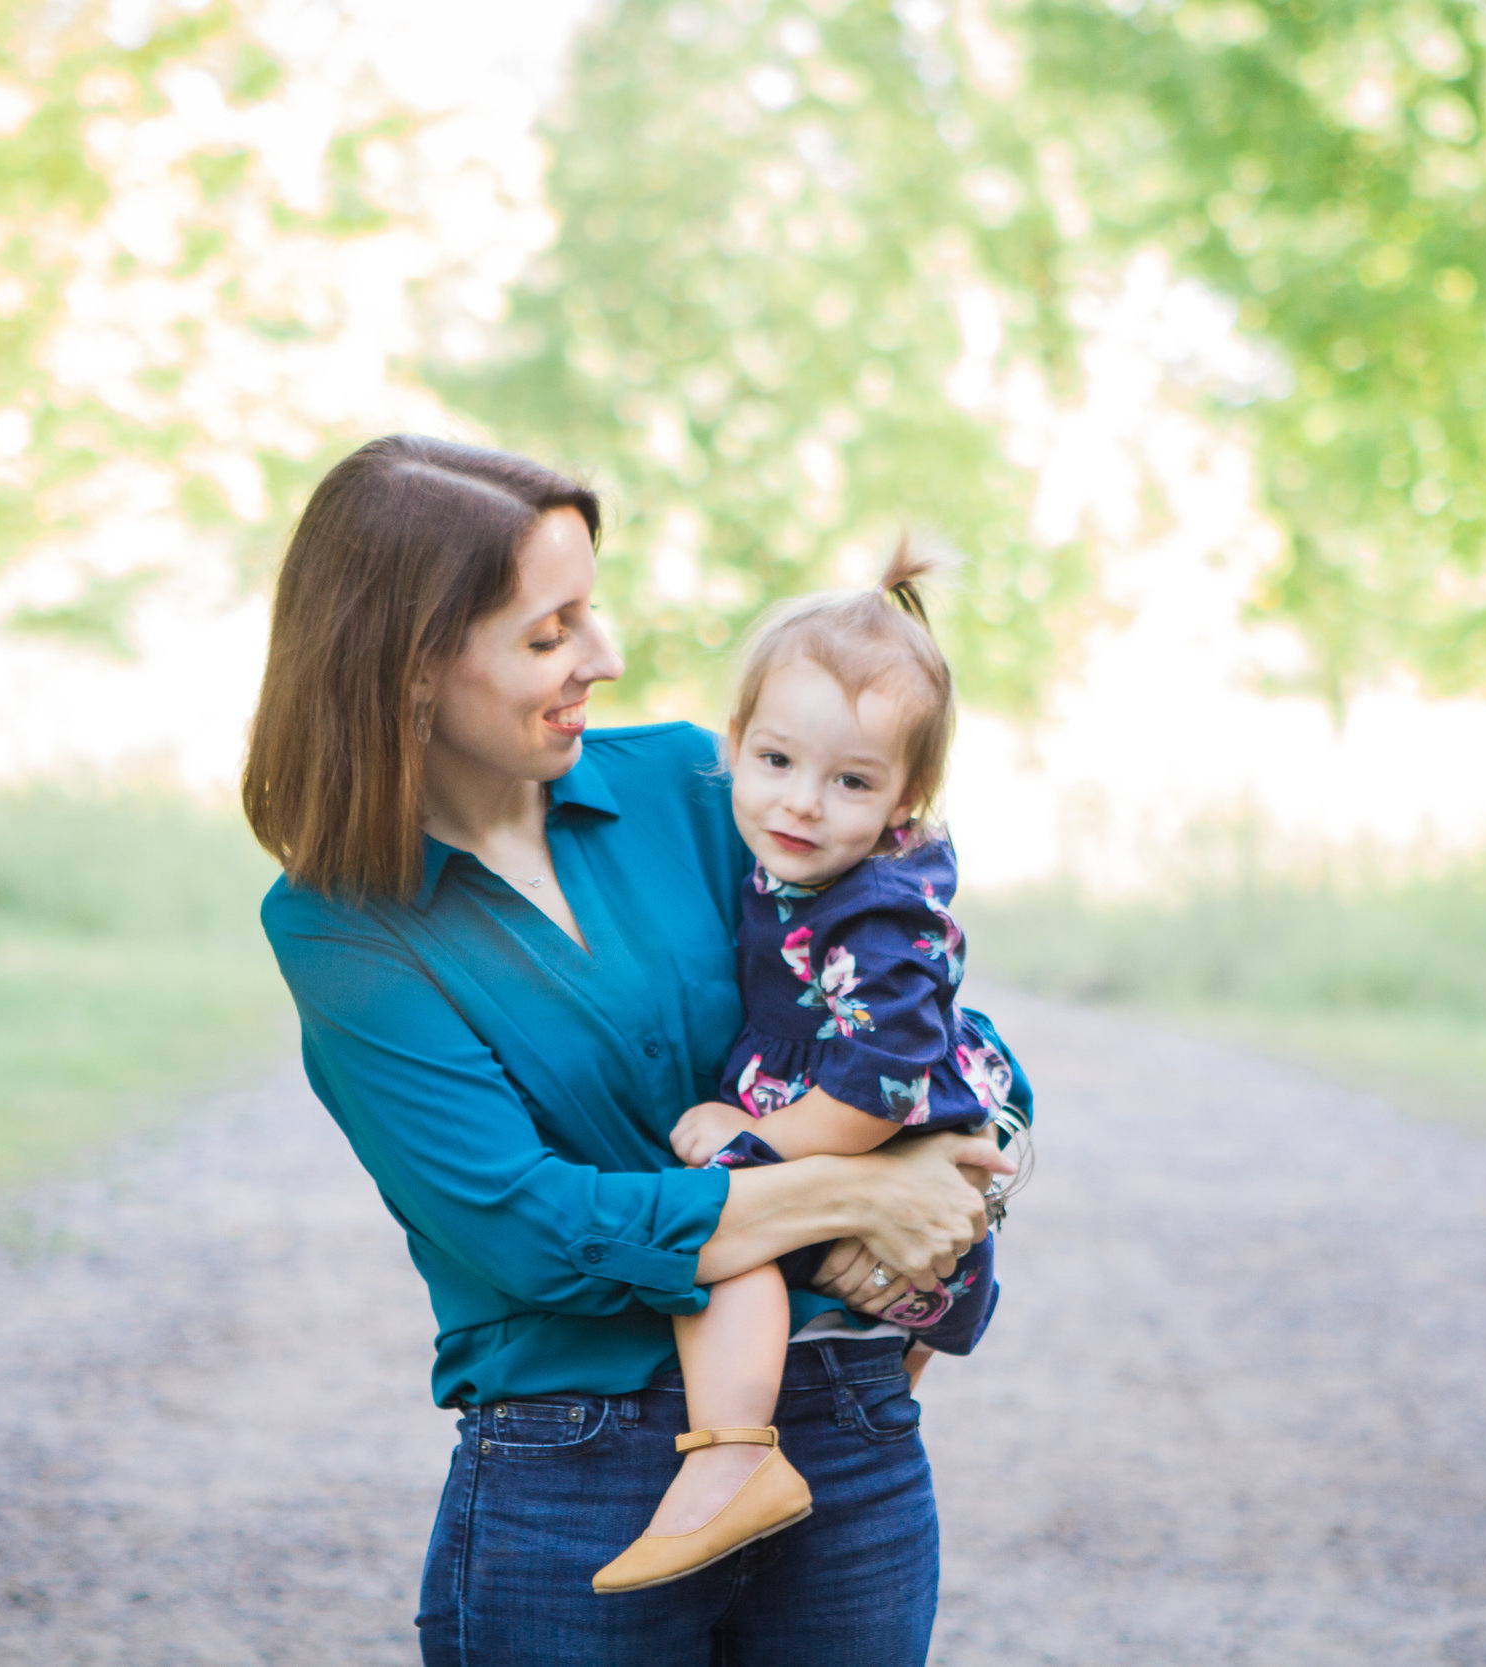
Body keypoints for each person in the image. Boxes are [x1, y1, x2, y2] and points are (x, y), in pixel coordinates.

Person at [245, 435, 1013, 1666]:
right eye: (550, 634)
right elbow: (530, 1225)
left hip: (847, 1433)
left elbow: (929, 1027)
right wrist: (863, 1187)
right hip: (573, 1465)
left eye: (589, 614)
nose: (601, 656)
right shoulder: (342, 923)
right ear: (409, 668)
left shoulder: (697, 783)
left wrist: (978, 1164)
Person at [590, 542, 1032, 1596]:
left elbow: (882, 1082)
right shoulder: (780, 852)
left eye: (850, 782)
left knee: (721, 1225)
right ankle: (851, 1408)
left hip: (867, 1117)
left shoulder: (876, 908)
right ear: (734, 744)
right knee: (826, 1295)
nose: (801, 803)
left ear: (905, 797)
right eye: (777, 762)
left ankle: (736, 1450)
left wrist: (757, 1146)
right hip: (846, 1111)